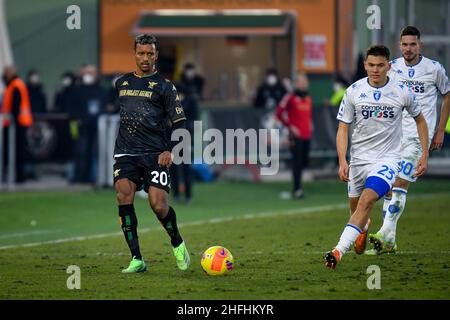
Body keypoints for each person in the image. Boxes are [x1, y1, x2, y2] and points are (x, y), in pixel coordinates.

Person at [324, 45, 429, 269]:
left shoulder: (402, 92)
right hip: (359, 159)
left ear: (389, 66)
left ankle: (338, 251)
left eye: (380, 65)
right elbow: (343, 128)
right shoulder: (353, 91)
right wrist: (342, 160)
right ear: (365, 66)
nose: (375, 69)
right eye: (371, 65)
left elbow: (420, 120)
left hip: (388, 159)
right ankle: (362, 227)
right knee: (356, 209)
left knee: (367, 200)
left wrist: (424, 152)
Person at [366, 26, 450, 255]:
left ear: (419, 45)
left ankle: (384, 233)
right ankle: (389, 240)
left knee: (400, 182)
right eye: (405, 44)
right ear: (399, 46)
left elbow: (447, 94)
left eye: (413, 44)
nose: (408, 48)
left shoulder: (434, 69)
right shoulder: (392, 67)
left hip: (416, 137)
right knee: (389, 187)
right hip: (393, 136)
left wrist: (440, 130)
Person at [113, 34, 190, 273]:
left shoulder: (166, 87)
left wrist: (170, 150)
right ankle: (137, 258)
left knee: (158, 205)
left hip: (156, 154)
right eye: (140, 53)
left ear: (156, 55)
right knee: (123, 196)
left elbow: (179, 123)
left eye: (149, 54)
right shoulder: (121, 83)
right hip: (125, 153)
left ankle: (177, 241)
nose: (145, 58)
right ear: (134, 54)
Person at [275, 72, 313, 199]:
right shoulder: (290, 97)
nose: (303, 84)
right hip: (295, 136)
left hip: (307, 135)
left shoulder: (308, 98)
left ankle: (298, 187)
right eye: (300, 82)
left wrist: (310, 125)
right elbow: (279, 114)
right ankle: (297, 189)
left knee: (304, 162)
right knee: (297, 162)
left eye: (305, 82)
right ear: (296, 83)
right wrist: (290, 126)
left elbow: (307, 116)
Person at [72, 64, 108, 183]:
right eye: (87, 72)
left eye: (91, 72)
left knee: (94, 153)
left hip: (97, 127)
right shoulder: (77, 90)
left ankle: (92, 178)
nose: (89, 75)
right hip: (80, 127)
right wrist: (77, 118)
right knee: (80, 152)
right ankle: (78, 177)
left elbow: (104, 107)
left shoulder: (101, 90)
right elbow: (71, 107)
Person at [170, 64, 201, 203]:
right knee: (175, 166)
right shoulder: (170, 102)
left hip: (185, 136)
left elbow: (194, 119)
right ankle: (177, 193)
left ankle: (187, 194)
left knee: (185, 166)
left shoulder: (190, 101)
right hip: (173, 136)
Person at [1, 65, 33, 183]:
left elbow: (16, 105)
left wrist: (12, 118)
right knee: (14, 151)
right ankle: (15, 176)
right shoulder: (13, 84)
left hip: (17, 123)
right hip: (16, 122)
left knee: (16, 151)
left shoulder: (15, 85)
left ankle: (18, 177)